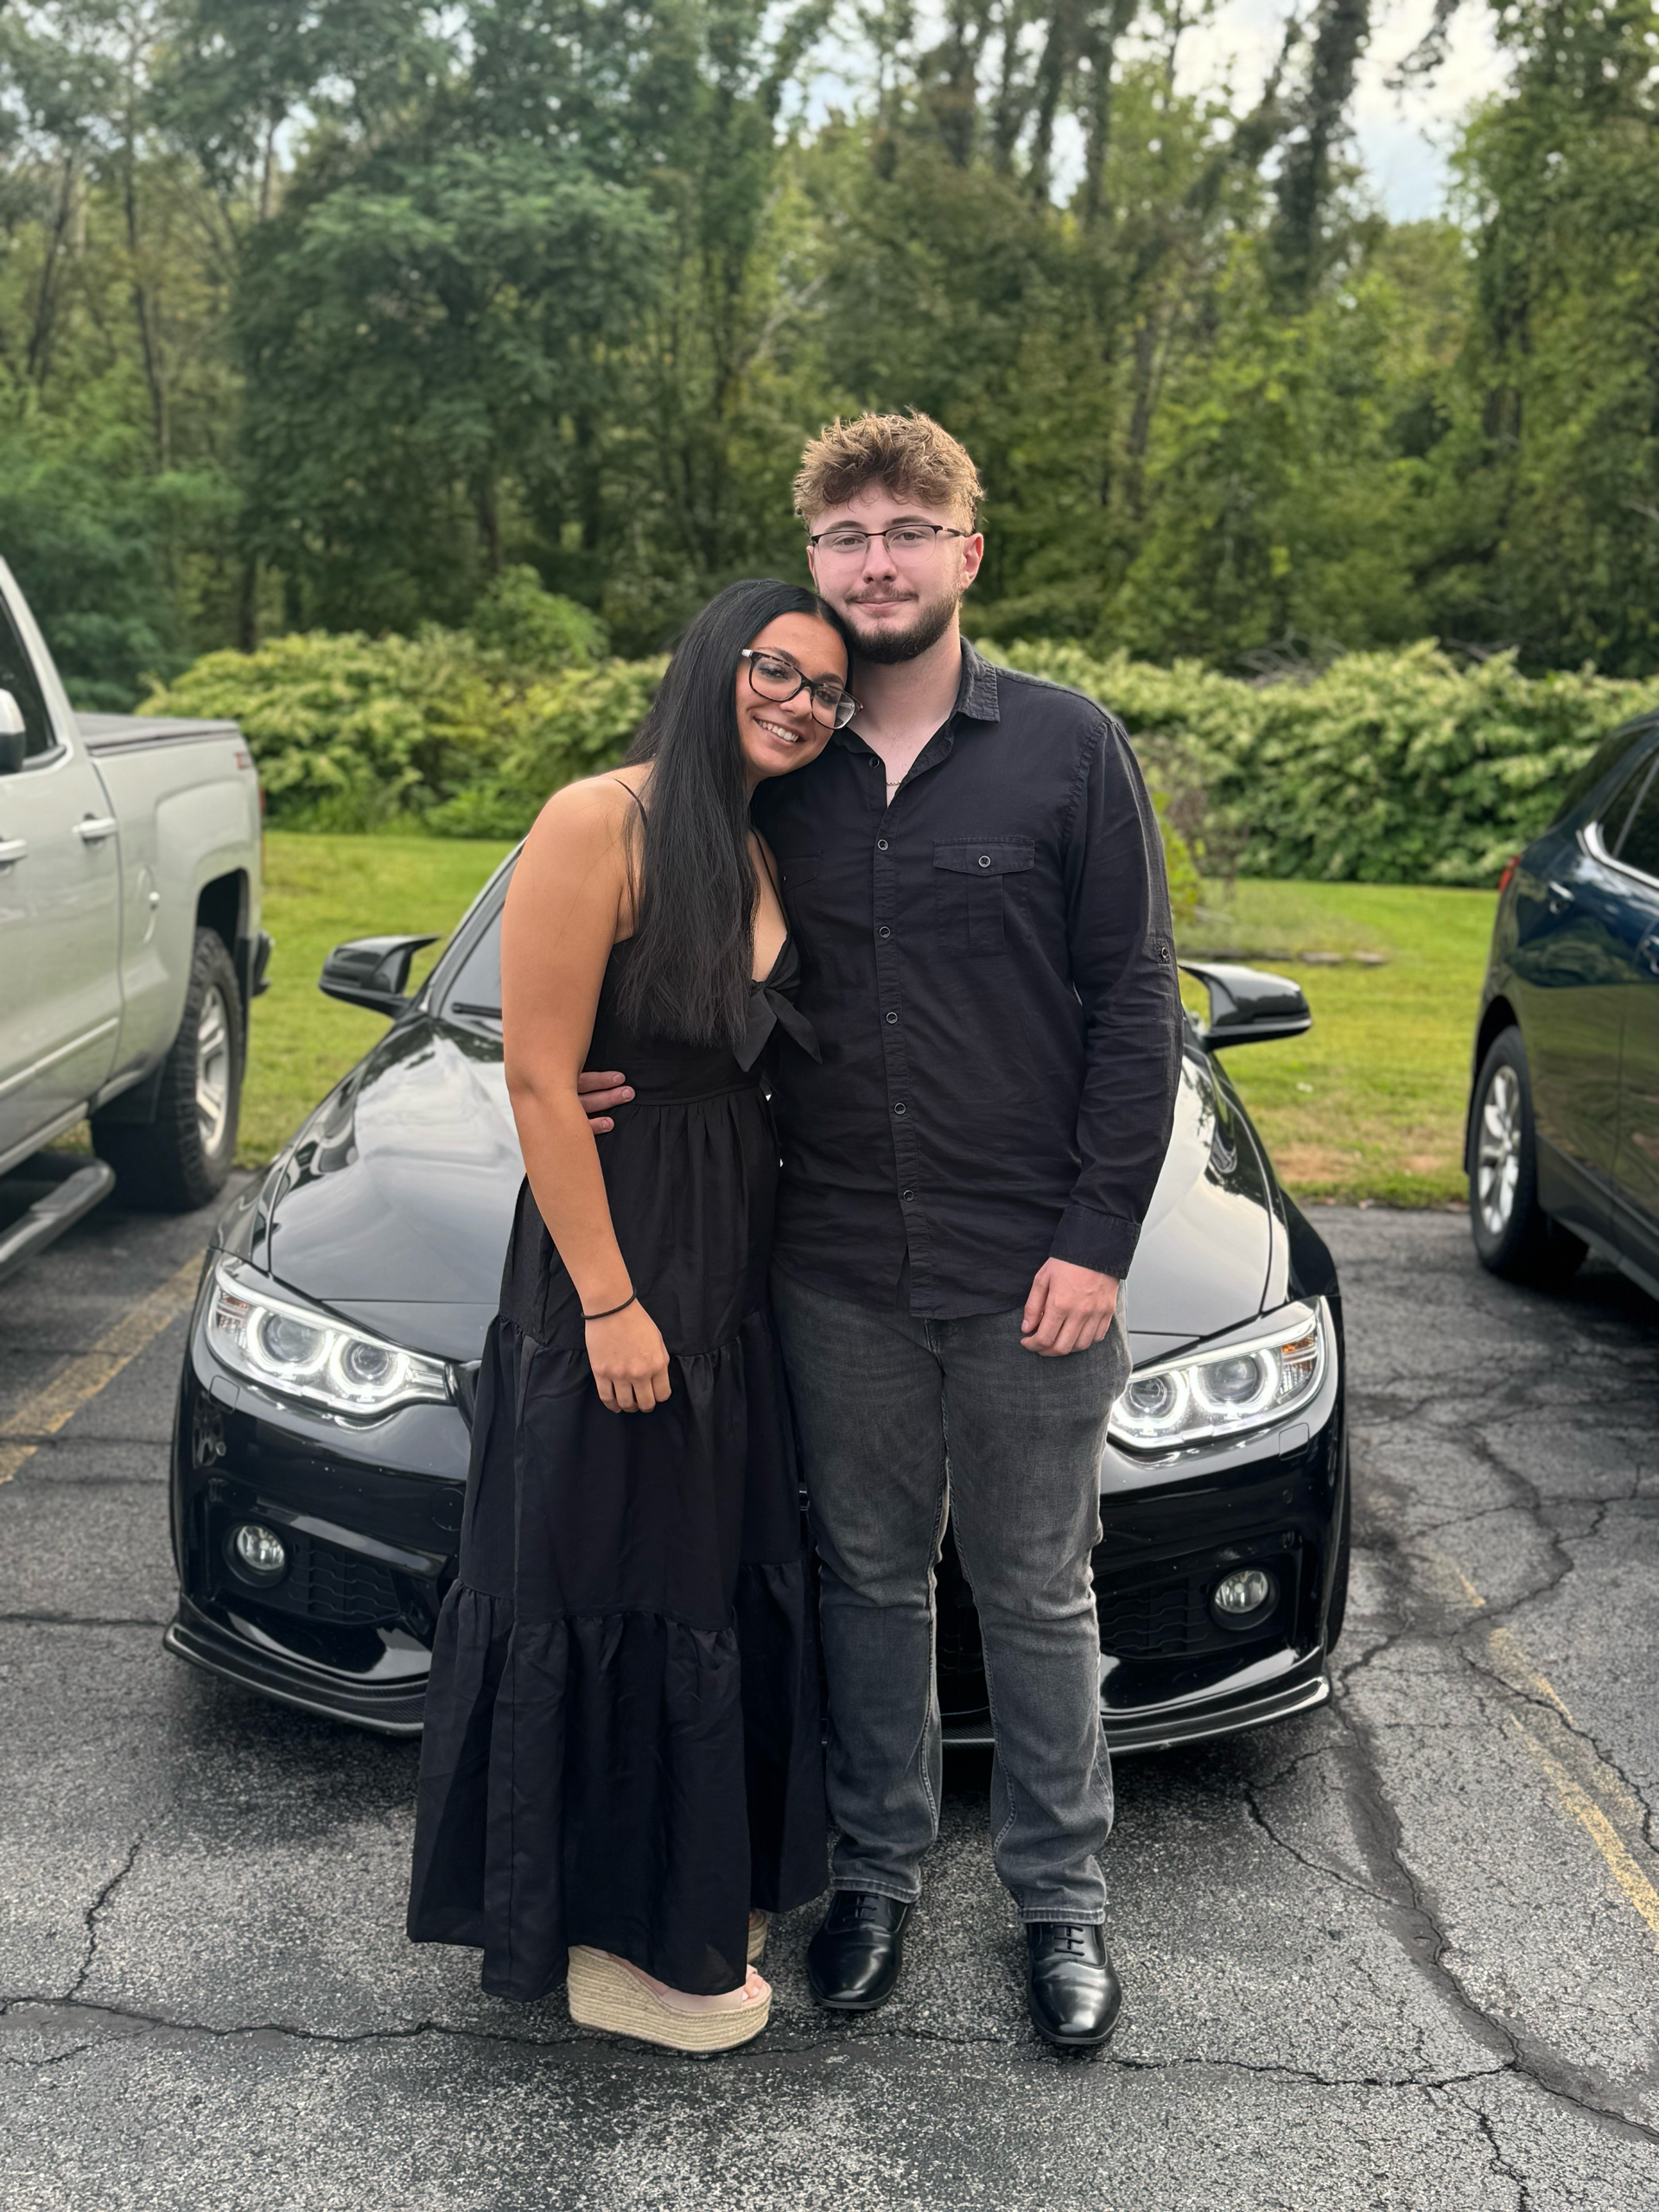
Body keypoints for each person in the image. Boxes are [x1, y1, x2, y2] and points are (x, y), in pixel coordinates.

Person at [581, 413, 1183, 2051]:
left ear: (966, 553)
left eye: (910, 528)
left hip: (1027, 1265)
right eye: (847, 534)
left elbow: (1137, 1005)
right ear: (816, 562)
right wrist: (600, 1068)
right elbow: (642, 914)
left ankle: (1061, 1904)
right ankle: (875, 1878)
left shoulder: (1068, 748)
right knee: (866, 1583)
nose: (878, 559)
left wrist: (1097, 1239)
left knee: (1037, 1590)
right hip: (833, 1260)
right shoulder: (770, 768)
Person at [406, 578, 848, 2054]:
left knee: (695, 1576)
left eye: (826, 691)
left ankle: (686, 1898)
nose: (799, 703)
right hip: (624, 1251)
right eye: (776, 669)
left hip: (727, 1257)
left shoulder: (754, 839)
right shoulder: (599, 817)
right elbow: (541, 1076)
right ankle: (619, 1943)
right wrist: (608, 1300)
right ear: (716, 661)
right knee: (610, 1578)